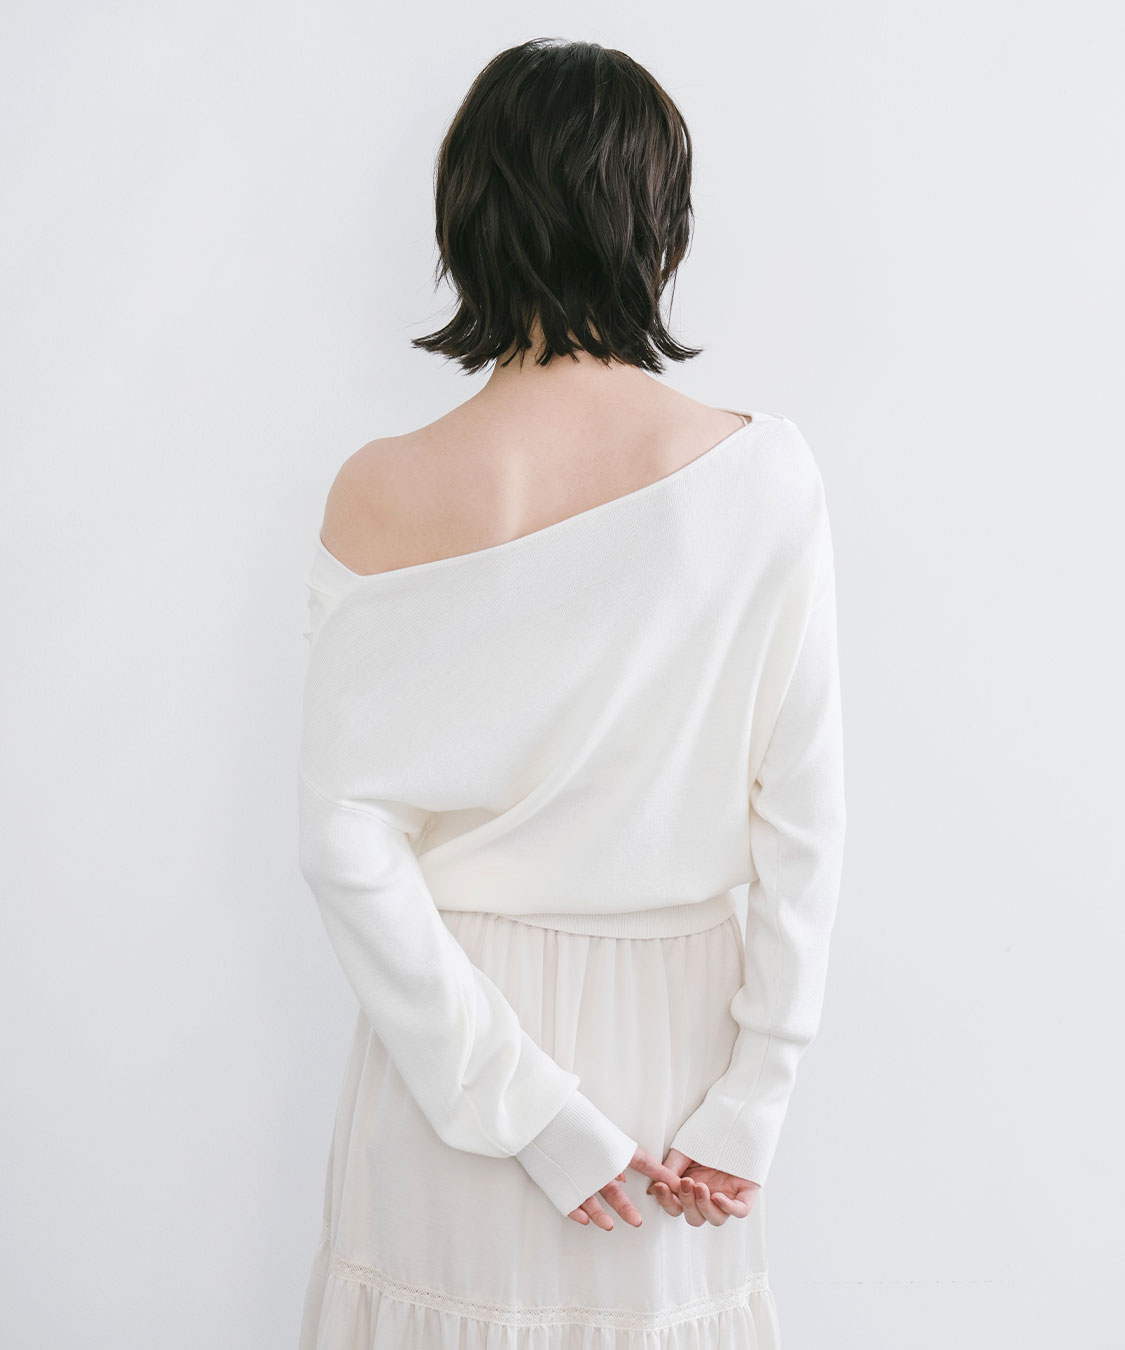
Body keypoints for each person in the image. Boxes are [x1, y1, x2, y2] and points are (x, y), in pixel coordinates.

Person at [295, 36, 846, 1350]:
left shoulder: (381, 488)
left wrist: (515, 1100)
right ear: (659, 223)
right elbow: (803, 822)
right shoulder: (763, 476)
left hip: (450, 1030)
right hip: (681, 1045)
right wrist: (754, 1091)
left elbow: (343, 838)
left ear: (466, 217)